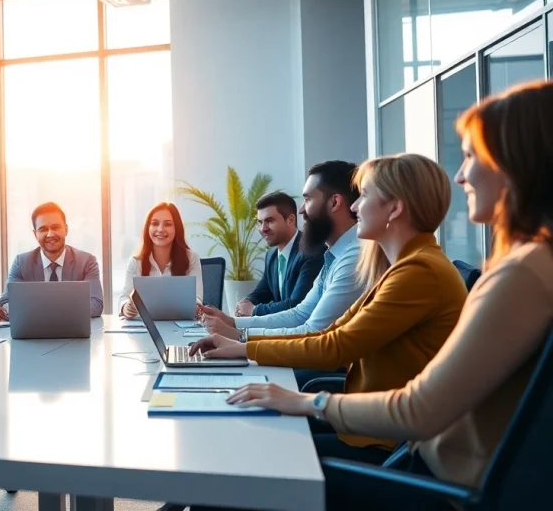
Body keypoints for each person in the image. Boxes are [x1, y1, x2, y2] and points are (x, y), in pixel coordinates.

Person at [222, 81, 553, 510]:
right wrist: (247, 351)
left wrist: (306, 400)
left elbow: (418, 409)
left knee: (246, 467)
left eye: (472, 156)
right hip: (428, 462)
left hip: (435, 478)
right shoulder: (517, 266)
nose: (460, 174)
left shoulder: (518, 273)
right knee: (254, 447)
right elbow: (334, 332)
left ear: (512, 163)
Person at [190, 154, 467, 464]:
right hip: (366, 428)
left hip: (386, 446)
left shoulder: (419, 272)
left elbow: (334, 346)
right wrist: (241, 343)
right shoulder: (401, 267)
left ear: (395, 208)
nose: (354, 206)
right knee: (245, 431)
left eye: (364, 195)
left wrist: (245, 348)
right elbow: (332, 332)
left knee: (247, 449)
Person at [200, 161, 363, 341]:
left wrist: (240, 335)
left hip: (328, 366)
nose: (301, 209)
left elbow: (314, 331)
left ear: (334, 202)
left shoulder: (354, 257)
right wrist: (233, 322)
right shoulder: (334, 255)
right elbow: (300, 314)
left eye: (308, 199)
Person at [0, 202, 103, 317]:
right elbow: (4, 303)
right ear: (35, 234)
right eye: (43, 229)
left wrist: (38, 310)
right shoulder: (21, 263)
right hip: (33, 332)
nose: (50, 234)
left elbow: (96, 305)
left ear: (66, 229)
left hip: (73, 331)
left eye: (55, 227)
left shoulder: (87, 262)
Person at [236, 191, 324, 317]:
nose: (263, 229)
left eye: (269, 221)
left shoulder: (311, 252)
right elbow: (263, 291)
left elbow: (297, 304)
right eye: (260, 222)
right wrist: (246, 302)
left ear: (291, 220)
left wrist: (254, 310)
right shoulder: (271, 255)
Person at [118, 202, 202, 318]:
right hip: (144, 329)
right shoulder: (136, 261)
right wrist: (125, 307)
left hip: (180, 327)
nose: (160, 229)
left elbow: (197, 299)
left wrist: (194, 307)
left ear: (176, 228)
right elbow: (124, 298)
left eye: (167, 224)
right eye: (155, 224)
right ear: (148, 228)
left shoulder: (191, 259)